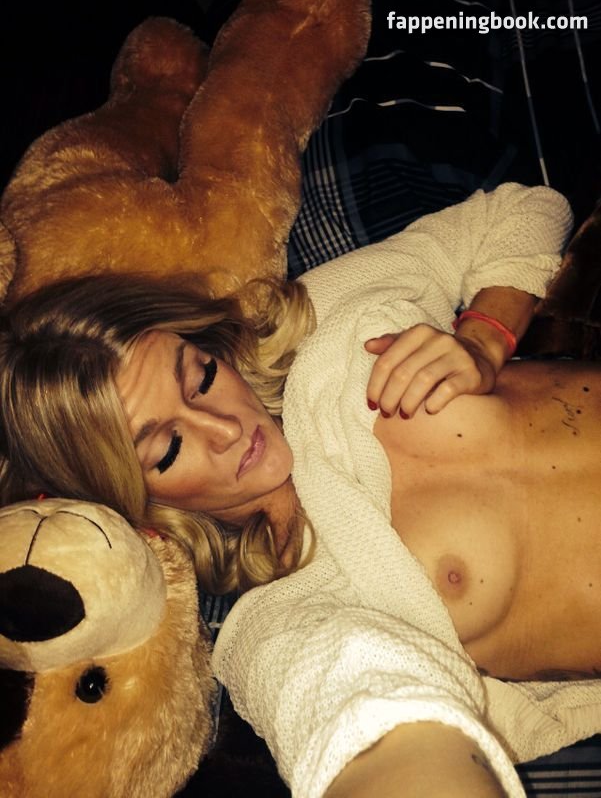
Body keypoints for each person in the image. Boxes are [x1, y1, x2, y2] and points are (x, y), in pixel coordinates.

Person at [1, 182, 600, 797]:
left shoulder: (323, 324)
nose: (225, 428)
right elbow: (364, 724)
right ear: (137, 504)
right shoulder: (282, 617)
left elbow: (526, 209)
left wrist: (482, 337)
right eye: (169, 449)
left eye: (201, 376)